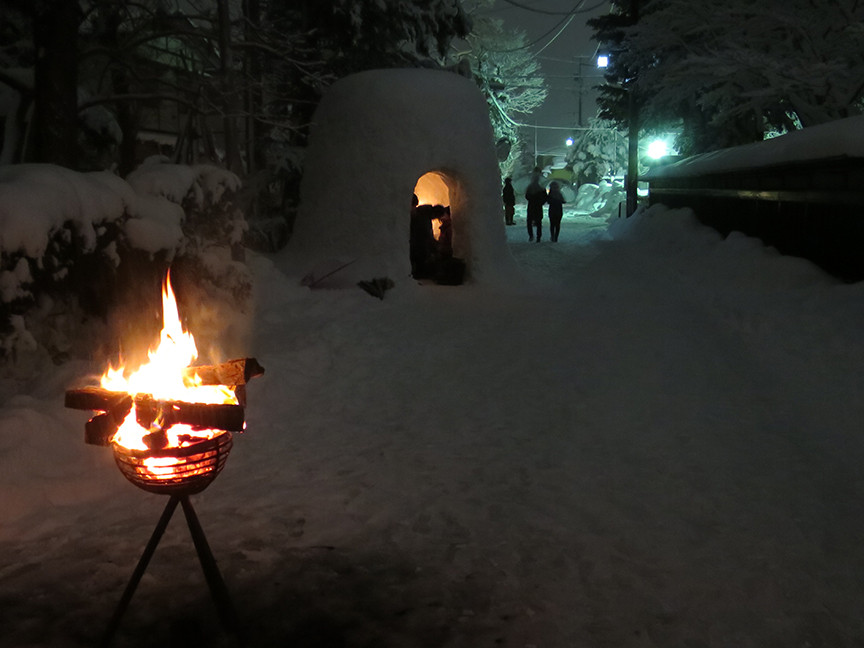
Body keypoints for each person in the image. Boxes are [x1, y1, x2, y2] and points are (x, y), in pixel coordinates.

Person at [524, 174, 547, 242]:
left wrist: (532, 199)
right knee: (539, 222)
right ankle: (538, 237)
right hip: (538, 207)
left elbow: (527, 196)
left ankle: (531, 235)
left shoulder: (530, 188)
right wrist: (540, 202)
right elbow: (544, 198)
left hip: (531, 206)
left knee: (529, 222)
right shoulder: (541, 188)